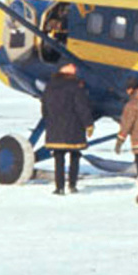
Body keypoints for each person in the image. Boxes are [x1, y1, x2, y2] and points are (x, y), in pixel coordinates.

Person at [41, 62, 95, 195]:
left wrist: (50, 121)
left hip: (55, 128)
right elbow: (82, 107)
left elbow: (44, 109)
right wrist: (89, 124)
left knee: (59, 159)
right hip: (74, 127)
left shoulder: (50, 86)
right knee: (75, 157)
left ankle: (59, 187)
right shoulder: (76, 86)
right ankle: (72, 185)